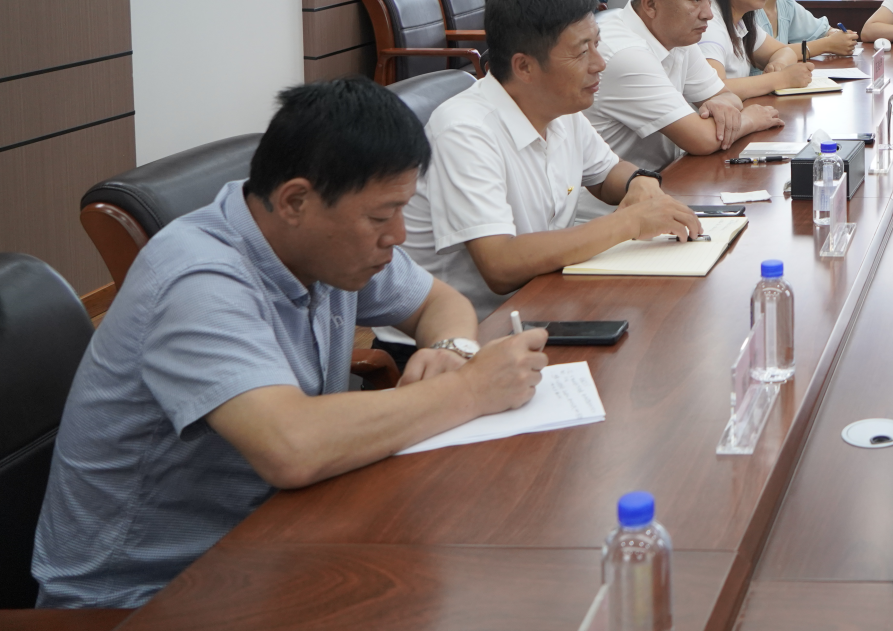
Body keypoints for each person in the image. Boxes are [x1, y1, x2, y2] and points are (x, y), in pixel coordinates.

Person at [32, 77, 548, 608]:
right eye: (381, 216)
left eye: (402, 209)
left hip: (278, 539)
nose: (398, 235)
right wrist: (469, 390)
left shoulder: (324, 241)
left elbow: (440, 303)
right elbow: (291, 447)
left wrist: (450, 350)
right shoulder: (197, 281)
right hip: (147, 598)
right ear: (295, 200)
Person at [403, 0, 704, 316]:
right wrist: (630, 222)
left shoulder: (559, 107)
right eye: (582, 52)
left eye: (597, 44)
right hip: (471, 332)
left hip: (544, 301)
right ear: (525, 66)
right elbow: (499, 265)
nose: (599, 63)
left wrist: (639, 182)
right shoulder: (464, 131)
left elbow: (607, 174)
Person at [588, 0, 785, 171]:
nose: (708, 14)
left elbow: (726, 95)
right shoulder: (625, 54)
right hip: (620, 190)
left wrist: (721, 103)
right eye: (696, 0)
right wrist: (750, 119)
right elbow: (702, 139)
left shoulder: (679, 35)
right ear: (651, 4)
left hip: (667, 174)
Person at [700, 0, 814, 99]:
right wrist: (781, 78)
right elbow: (714, 89)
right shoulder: (709, 23)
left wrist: (779, 64)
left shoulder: (741, 19)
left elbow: (785, 50)